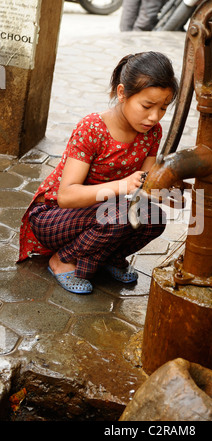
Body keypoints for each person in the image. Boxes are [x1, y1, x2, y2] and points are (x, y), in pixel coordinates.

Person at [18, 51, 178, 295]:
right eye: (147, 106)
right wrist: (122, 186)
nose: (154, 116)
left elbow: (144, 188)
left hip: (106, 213)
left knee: (154, 218)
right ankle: (62, 260)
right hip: (53, 216)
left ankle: (106, 258)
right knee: (119, 214)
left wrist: (162, 190)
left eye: (163, 108)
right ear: (122, 93)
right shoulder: (92, 128)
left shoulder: (152, 132)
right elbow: (67, 196)